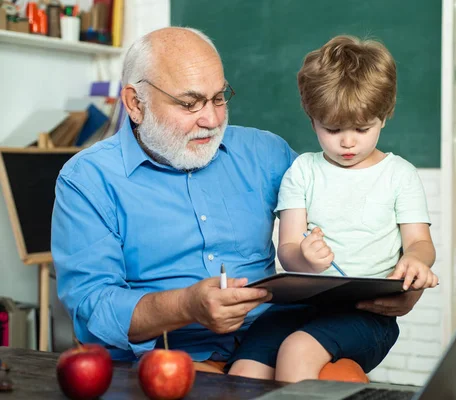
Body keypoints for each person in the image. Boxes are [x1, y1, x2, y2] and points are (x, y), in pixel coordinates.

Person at [52, 27, 431, 365]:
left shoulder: (266, 154)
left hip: (267, 341)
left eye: (219, 98)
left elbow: (354, 206)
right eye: (189, 103)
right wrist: (185, 306)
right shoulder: (88, 180)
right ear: (135, 104)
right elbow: (93, 308)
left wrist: (398, 285)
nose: (213, 119)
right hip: (165, 360)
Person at [227, 35, 438, 382]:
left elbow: (420, 242)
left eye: (362, 128)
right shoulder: (303, 172)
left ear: (384, 117)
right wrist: (305, 259)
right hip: (301, 305)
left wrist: (416, 260)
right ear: (312, 120)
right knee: (244, 371)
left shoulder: (400, 175)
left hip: (367, 315)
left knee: (297, 351)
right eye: (333, 129)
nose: (348, 141)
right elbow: (289, 252)